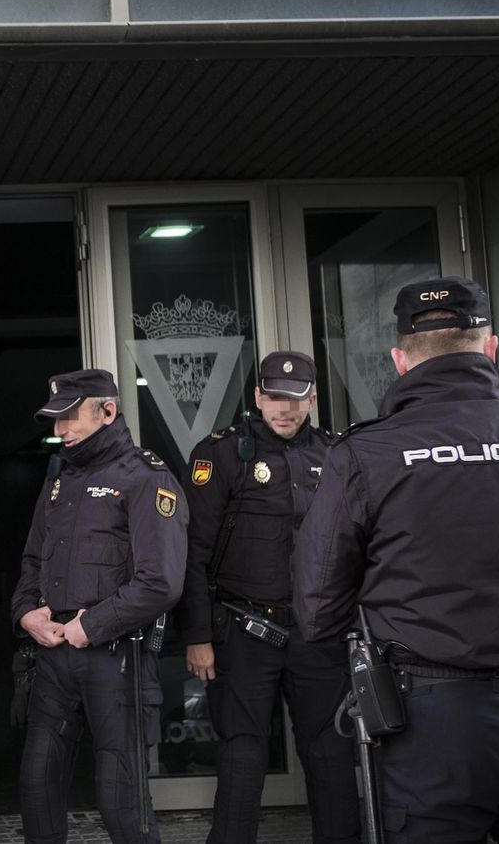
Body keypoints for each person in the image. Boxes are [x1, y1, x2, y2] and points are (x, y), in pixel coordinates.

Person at [294, 278, 499, 843]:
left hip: (432, 723)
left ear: (399, 360)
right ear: (491, 348)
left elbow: (319, 607)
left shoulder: (367, 453)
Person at [177, 352, 356, 844]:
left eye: (295, 400)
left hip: (318, 633)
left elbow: (356, 546)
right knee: (242, 754)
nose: (284, 409)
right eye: (274, 397)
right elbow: (193, 552)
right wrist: (196, 636)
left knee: (331, 755)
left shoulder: (336, 454)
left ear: (313, 400)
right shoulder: (222, 455)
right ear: (257, 396)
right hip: (242, 630)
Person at [11, 369, 188, 844]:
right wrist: (26, 612)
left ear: (107, 411)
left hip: (117, 658)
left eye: (70, 417)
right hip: (53, 659)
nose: (61, 429)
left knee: (121, 802)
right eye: (56, 418)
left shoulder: (146, 478)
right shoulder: (59, 478)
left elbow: (161, 582)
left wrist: (92, 625)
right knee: (37, 788)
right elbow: (31, 559)